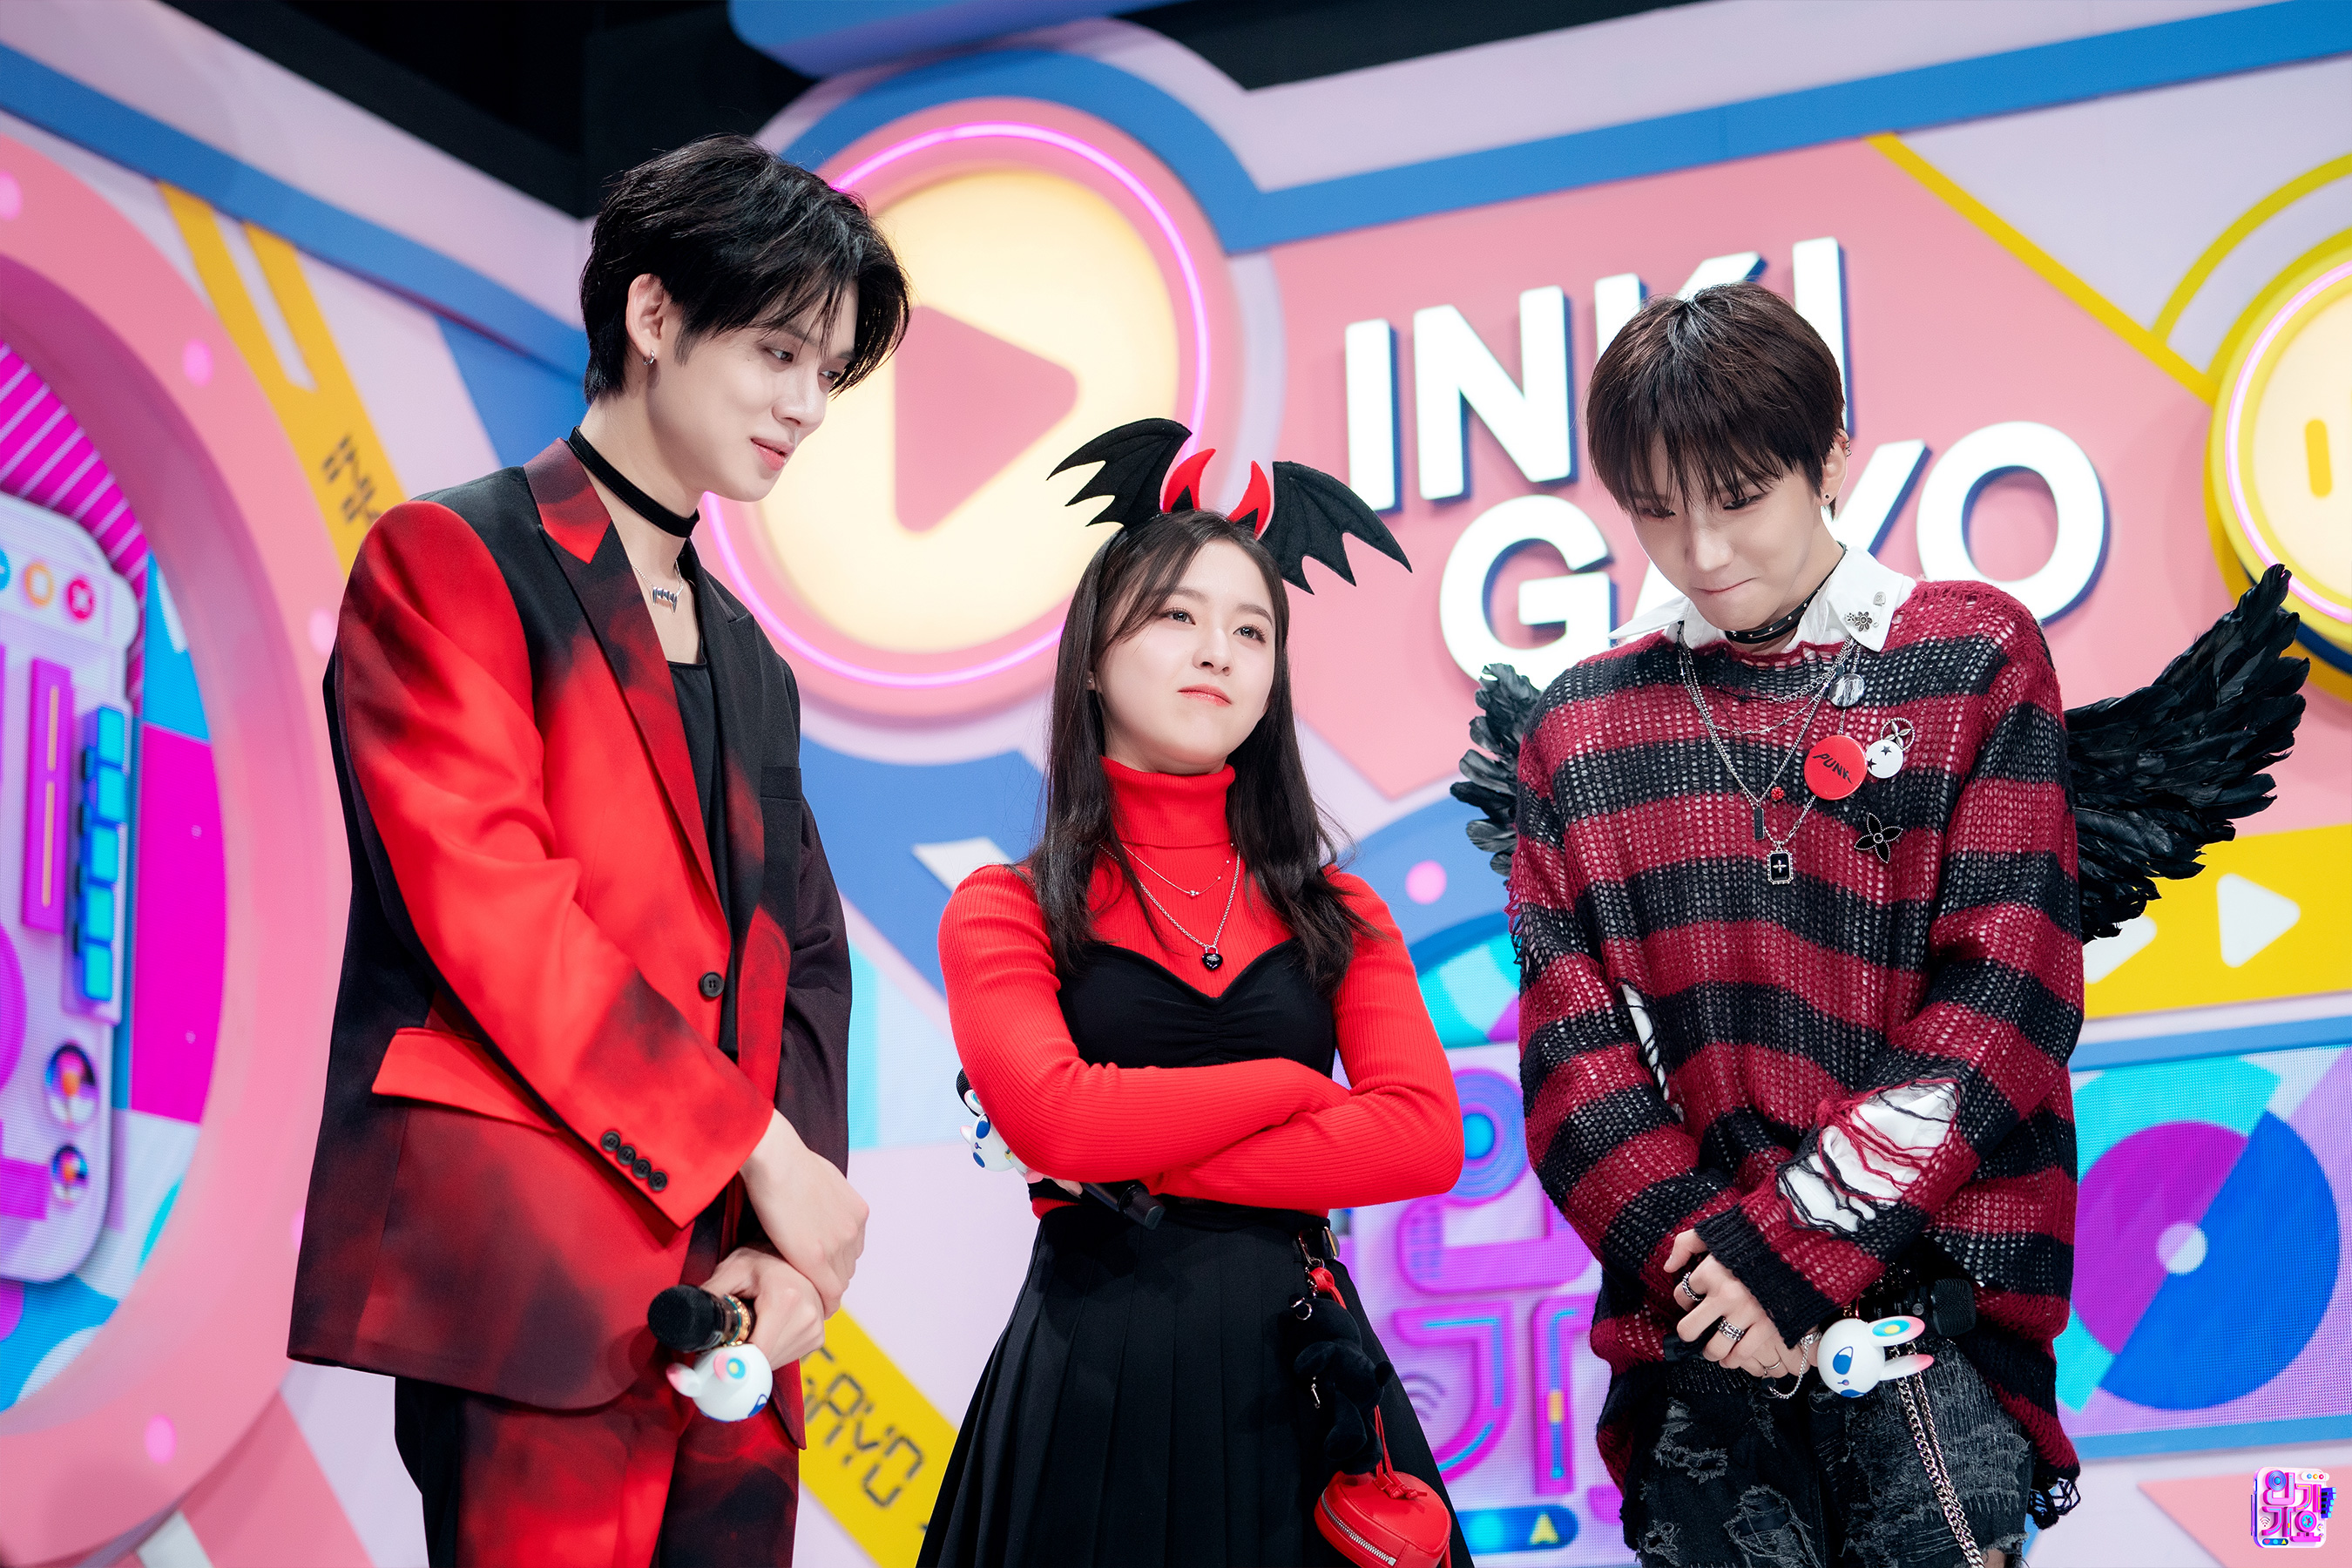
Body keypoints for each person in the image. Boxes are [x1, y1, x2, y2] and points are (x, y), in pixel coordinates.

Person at [288, 135, 909, 1566]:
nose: (807, 406)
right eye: (779, 353)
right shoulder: (449, 561)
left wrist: (789, 1233)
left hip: (735, 1312)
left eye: (829, 373)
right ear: (652, 313)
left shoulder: (752, 658)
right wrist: (757, 1148)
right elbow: (500, 921)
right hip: (535, 1286)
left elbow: (805, 957)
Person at [1508, 283, 2080, 1568]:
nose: (1704, 550)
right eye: (1658, 509)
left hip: (1930, 1316)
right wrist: (1727, 1281)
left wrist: (1793, 1252)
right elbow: (1573, 1065)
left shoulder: (1969, 659)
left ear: (1832, 458)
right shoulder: (1580, 728)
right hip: (1698, 1331)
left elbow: (2007, 994)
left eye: (1739, 497)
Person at [920, 423, 1474, 1567]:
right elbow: (1054, 1120)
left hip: (1302, 1380)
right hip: (1092, 1386)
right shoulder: (1005, 906)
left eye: (1250, 629)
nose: (1217, 651)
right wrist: (1289, 1089)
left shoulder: (1341, 911)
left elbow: (1423, 1140)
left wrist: (1130, 1153)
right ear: (1091, 655)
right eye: (1177, 616)